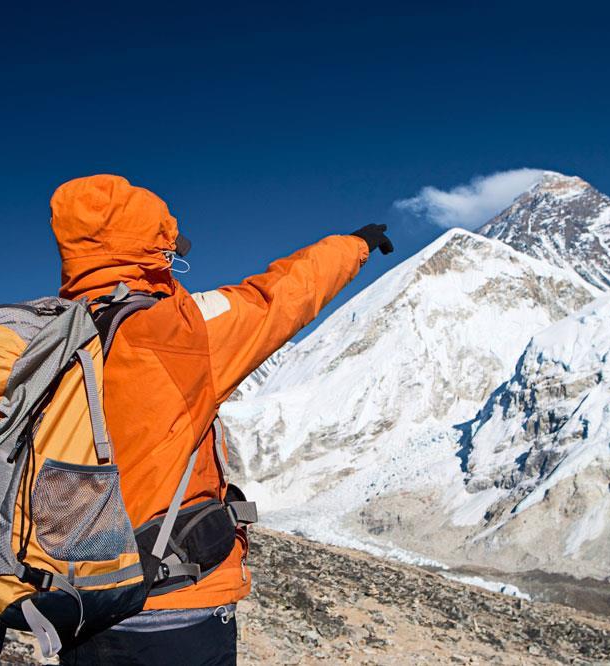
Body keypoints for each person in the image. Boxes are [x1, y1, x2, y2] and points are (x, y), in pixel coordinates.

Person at [51, 174, 393, 665]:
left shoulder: (47, 344)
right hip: (174, 607)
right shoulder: (175, 332)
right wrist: (353, 245)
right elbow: (275, 299)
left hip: (78, 606)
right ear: (156, 244)